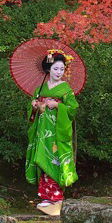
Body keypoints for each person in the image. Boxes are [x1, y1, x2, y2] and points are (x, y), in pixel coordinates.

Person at [24, 51, 78, 212]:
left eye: (61, 69)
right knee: (42, 159)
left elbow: (73, 109)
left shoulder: (66, 89)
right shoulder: (39, 89)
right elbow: (32, 111)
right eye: (55, 69)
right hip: (42, 132)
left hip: (56, 132)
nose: (59, 72)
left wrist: (58, 106)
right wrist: (33, 107)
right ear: (48, 69)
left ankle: (56, 197)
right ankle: (45, 196)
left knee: (54, 160)